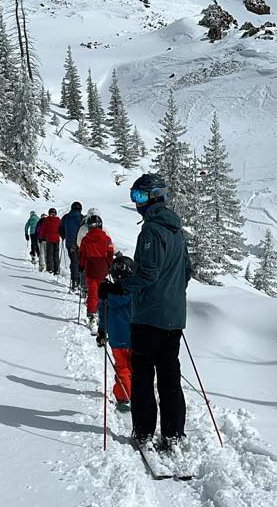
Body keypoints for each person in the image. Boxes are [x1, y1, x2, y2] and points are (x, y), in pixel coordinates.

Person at [100, 173, 192, 451]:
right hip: (174, 319)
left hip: (149, 318)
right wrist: (171, 295)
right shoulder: (177, 230)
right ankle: (173, 433)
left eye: (139, 196)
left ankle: (144, 432)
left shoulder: (151, 231)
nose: (136, 203)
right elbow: (186, 271)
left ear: (154, 196)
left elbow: (147, 275)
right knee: (169, 376)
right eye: (134, 197)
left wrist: (119, 289)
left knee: (142, 376)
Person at [97, 255, 135, 413]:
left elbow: (102, 313)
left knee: (122, 368)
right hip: (134, 336)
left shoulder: (106, 294)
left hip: (116, 337)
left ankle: (123, 397)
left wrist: (101, 331)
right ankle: (135, 392)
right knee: (134, 367)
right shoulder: (134, 293)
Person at [78, 212, 114, 329]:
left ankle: (92, 315)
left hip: (90, 267)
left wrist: (81, 266)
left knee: (92, 292)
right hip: (103, 267)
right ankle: (102, 314)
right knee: (103, 292)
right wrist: (109, 265)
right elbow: (110, 253)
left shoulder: (85, 239)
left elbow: (82, 255)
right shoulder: (107, 239)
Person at [60, 202, 85, 291]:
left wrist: (63, 236)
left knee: (74, 262)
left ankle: (74, 281)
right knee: (81, 262)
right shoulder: (83, 218)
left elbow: (61, 228)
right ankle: (82, 282)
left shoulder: (65, 217)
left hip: (69, 244)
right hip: (81, 244)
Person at [39, 207, 62, 275]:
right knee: (56, 255)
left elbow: (43, 230)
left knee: (49, 255)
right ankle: (56, 270)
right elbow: (61, 229)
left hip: (49, 239)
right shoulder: (58, 220)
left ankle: (50, 269)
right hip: (57, 240)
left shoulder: (47, 220)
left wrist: (41, 237)